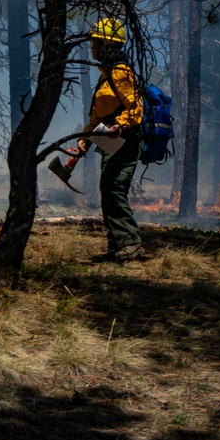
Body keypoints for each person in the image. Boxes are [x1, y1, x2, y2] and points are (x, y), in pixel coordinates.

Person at [77, 18, 144, 262]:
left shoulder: (120, 72)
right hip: (111, 142)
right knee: (109, 189)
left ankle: (131, 242)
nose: (92, 49)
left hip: (126, 140)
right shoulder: (105, 76)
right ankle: (117, 246)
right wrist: (86, 138)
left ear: (107, 45)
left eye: (95, 43)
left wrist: (121, 124)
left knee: (112, 188)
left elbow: (136, 108)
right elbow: (98, 115)